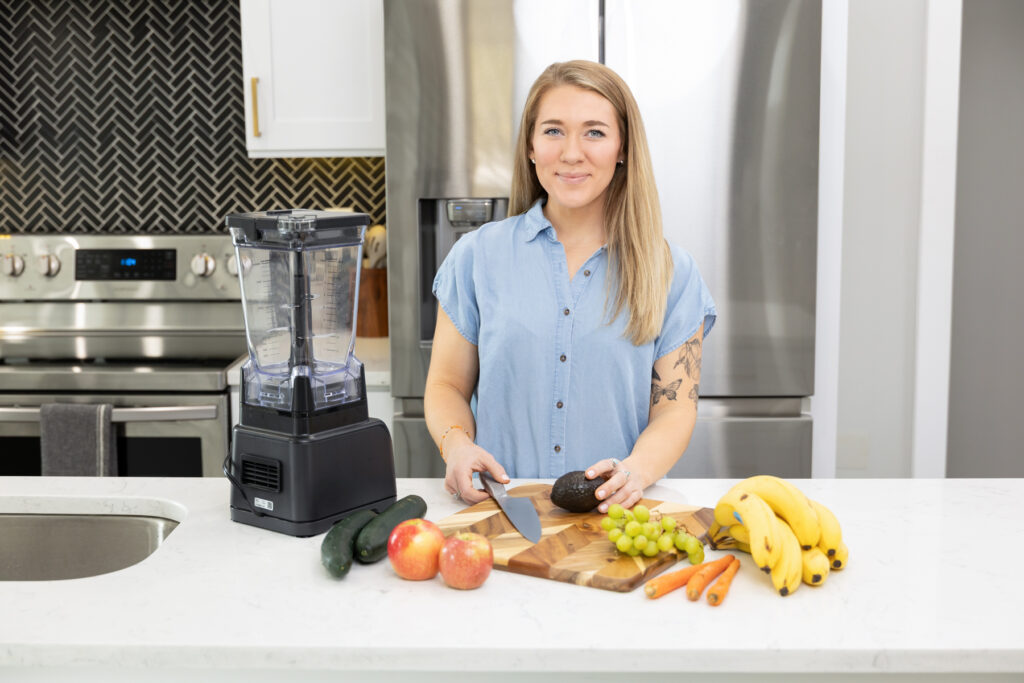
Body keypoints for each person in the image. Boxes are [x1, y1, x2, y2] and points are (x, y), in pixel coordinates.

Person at [425, 60, 716, 513]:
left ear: (622, 148)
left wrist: (634, 472)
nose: (572, 152)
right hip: (500, 514)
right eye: (554, 131)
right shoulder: (477, 256)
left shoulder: (671, 271)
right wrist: (456, 446)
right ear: (531, 146)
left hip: (618, 520)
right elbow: (445, 385)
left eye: (595, 132)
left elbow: (675, 409)